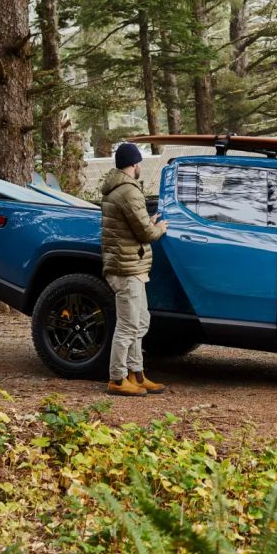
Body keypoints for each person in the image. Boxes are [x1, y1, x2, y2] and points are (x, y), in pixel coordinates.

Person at [102, 142, 168, 396]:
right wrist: (159, 227)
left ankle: (136, 373)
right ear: (134, 164)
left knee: (140, 321)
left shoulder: (116, 189)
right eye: (138, 162)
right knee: (128, 325)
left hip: (129, 264)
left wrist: (147, 221)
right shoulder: (128, 191)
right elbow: (146, 233)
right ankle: (117, 379)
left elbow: (130, 226)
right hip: (126, 267)